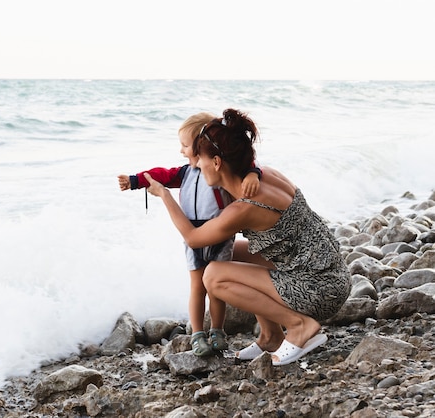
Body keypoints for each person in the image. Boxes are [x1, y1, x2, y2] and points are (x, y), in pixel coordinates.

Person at [143, 108, 351, 366]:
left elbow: (194, 238)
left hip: (317, 290)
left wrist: (164, 195)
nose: (196, 165)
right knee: (237, 252)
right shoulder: (265, 175)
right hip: (332, 275)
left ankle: (299, 326)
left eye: (200, 159)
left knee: (213, 275)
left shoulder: (244, 207)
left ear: (217, 162)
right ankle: (270, 336)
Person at [118, 112, 262, 357]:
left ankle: (217, 331)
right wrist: (135, 180)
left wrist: (252, 174)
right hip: (192, 235)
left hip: (220, 234)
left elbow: (246, 166)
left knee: (216, 288)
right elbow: (160, 175)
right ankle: (197, 334)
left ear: (200, 145)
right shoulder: (184, 173)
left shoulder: (217, 170)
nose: (181, 151)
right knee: (197, 286)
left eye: (185, 146)